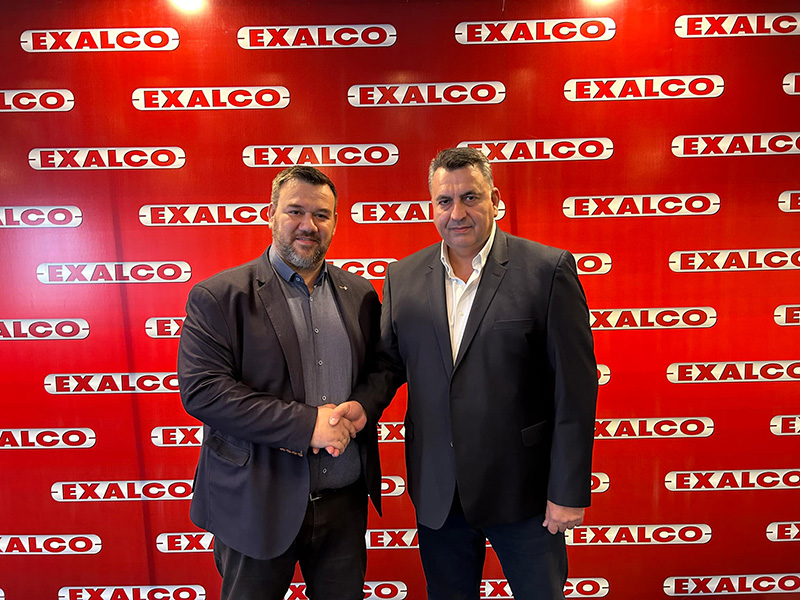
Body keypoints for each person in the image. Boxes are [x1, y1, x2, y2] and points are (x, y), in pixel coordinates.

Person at [334, 147, 598, 600]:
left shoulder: (547, 270)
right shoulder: (403, 276)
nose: (457, 213)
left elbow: (575, 388)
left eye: (470, 197)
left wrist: (568, 490)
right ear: (431, 206)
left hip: (526, 491)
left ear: (494, 199)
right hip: (440, 491)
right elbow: (389, 364)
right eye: (445, 201)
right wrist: (362, 405)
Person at [177, 165, 382, 600]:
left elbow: (380, 368)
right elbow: (204, 391)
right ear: (270, 214)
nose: (309, 225)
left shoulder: (361, 294)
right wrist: (308, 426)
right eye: (295, 211)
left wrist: (364, 403)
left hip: (343, 504)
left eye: (321, 215)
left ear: (335, 222)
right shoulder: (219, 296)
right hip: (256, 503)